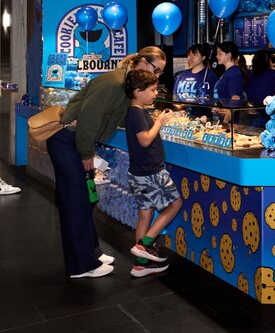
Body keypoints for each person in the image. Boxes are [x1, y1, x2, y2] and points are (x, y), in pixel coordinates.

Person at [49, 46, 166, 279]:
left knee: (87, 198)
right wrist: (86, 153)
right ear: (143, 62)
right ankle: (81, 266)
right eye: (156, 70)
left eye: (160, 73)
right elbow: (88, 119)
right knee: (76, 201)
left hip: (78, 142)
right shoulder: (113, 83)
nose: (157, 76)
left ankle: (91, 252)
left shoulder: (126, 85)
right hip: (68, 140)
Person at [124, 69, 181, 277]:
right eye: (152, 90)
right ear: (138, 92)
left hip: (139, 172)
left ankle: (141, 264)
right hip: (151, 172)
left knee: (144, 214)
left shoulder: (135, 112)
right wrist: (159, 122)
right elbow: (145, 140)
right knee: (175, 204)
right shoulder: (137, 113)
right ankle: (145, 244)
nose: (156, 93)